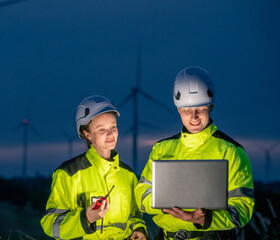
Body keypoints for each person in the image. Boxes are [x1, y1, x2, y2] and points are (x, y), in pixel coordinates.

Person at [134, 66, 254, 240]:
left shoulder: (231, 152)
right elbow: (141, 192)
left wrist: (205, 219)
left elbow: (243, 208)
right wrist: (163, 205)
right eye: (186, 110)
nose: (194, 116)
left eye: (201, 109)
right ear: (177, 108)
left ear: (211, 105)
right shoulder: (161, 149)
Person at [41, 95, 148, 239]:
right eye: (101, 130)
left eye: (113, 127)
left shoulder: (127, 174)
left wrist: (139, 229)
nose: (110, 134)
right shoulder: (68, 173)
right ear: (87, 135)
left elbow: (135, 215)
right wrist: (86, 219)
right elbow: (51, 225)